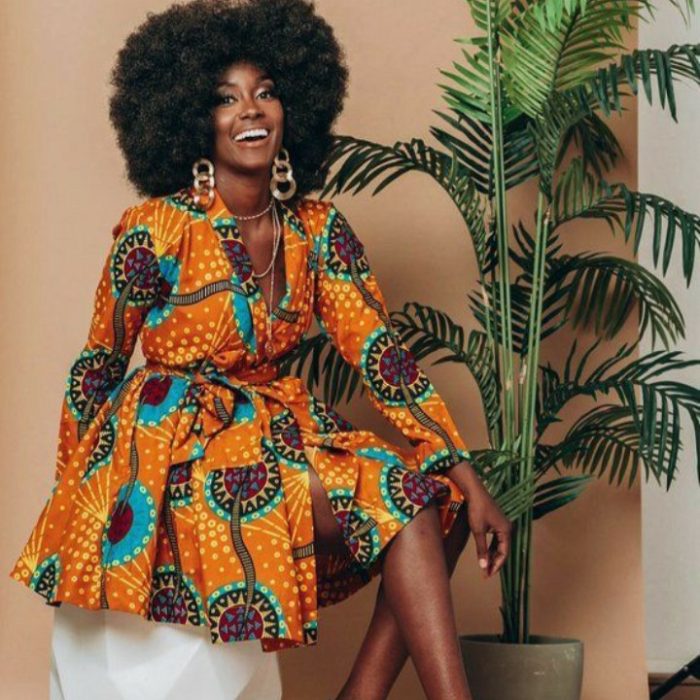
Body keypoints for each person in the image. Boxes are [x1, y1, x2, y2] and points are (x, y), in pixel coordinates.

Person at [8, 1, 512, 698]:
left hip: (271, 433)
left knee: (425, 500)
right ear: (192, 118)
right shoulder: (158, 228)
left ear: (292, 106)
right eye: (226, 98)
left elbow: (381, 356)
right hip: (173, 456)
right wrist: (73, 509)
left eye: (266, 91)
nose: (251, 110)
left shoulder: (317, 230)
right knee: (405, 503)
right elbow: (98, 366)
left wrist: (468, 478)